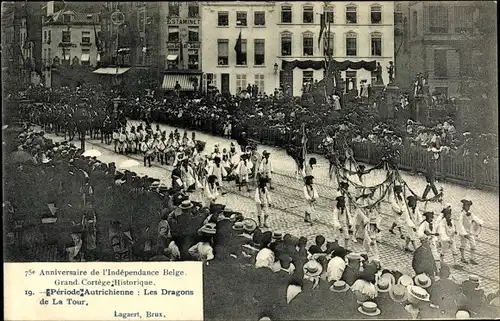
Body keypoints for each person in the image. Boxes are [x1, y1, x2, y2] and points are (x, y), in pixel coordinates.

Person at [456, 199, 483, 265]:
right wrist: (464, 233)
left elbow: (475, 218)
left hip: (470, 232)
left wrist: (480, 222)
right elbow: (460, 224)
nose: (468, 207)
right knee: (463, 244)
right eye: (466, 206)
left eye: (469, 206)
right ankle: (462, 257)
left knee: (473, 245)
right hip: (464, 232)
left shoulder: (470, 213)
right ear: (463, 206)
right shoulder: (461, 214)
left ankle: (472, 258)